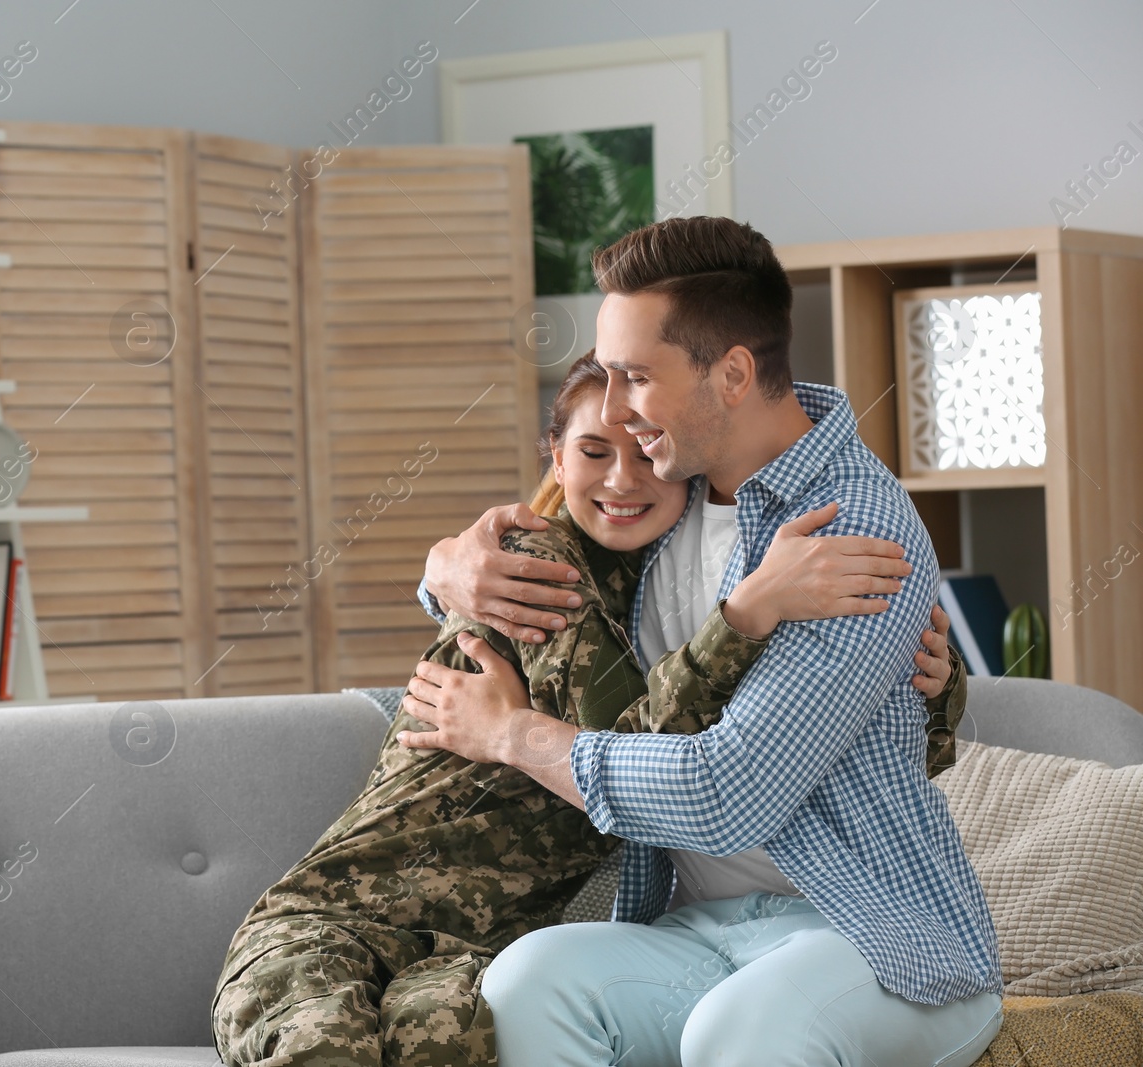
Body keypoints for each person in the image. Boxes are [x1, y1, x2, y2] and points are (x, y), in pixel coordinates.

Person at [210, 351, 965, 1067]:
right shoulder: (541, 573)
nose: (624, 480)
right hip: (332, 922)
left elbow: (813, 740)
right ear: (555, 456)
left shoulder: (661, 590)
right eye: (595, 452)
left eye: (644, 450)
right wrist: (745, 610)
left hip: (459, 958)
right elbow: (635, 753)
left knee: (459, 1043)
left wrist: (931, 681)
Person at [402, 216, 1002, 1067]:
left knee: (741, 1031)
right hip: (700, 928)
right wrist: (446, 573)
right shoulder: (668, 497)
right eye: (608, 377)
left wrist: (513, 736)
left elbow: (733, 790)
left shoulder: (854, 533)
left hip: (871, 932)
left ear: (732, 373)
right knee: (526, 981)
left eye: (636, 377)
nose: (614, 408)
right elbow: (554, 555)